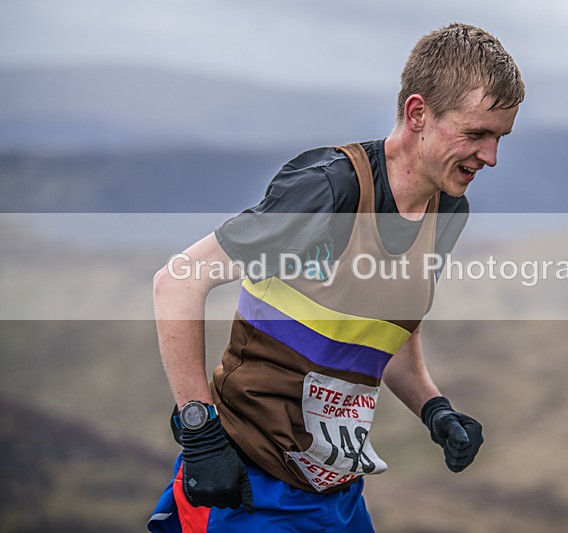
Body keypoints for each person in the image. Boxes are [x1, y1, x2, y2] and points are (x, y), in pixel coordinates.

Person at [148, 22, 524, 532]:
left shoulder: (447, 214)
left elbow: (386, 334)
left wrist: (434, 409)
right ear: (418, 113)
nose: (491, 157)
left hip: (338, 495)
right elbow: (177, 282)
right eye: (476, 134)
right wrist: (199, 431)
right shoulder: (330, 191)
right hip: (245, 487)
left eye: (499, 137)